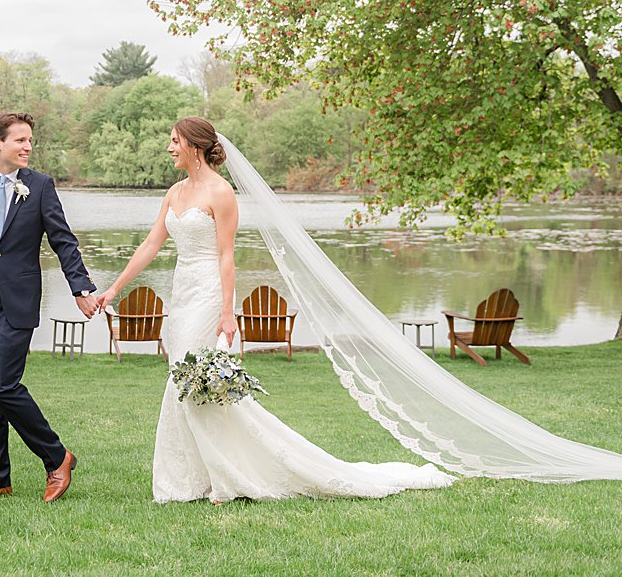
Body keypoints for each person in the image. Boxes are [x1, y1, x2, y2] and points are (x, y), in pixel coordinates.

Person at [93, 116, 456, 504]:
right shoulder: (174, 193)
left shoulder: (222, 193)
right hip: (182, 295)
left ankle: (226, 479)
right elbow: (151, 244)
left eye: (174, 141)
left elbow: (227, 257)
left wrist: (228, 313)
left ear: (195, 147)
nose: (169, 148)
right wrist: (114, 287)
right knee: (186, 382)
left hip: (210, 295)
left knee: (193, 380)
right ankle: (193, 478)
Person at [0, 112, 100, 502]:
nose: (28, 147)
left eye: (30, 141)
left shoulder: (40, 187)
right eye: (20, 140)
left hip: (17, 303)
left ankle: (56, 456)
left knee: (3, 386)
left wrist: (81, 288)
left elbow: (64, 241)